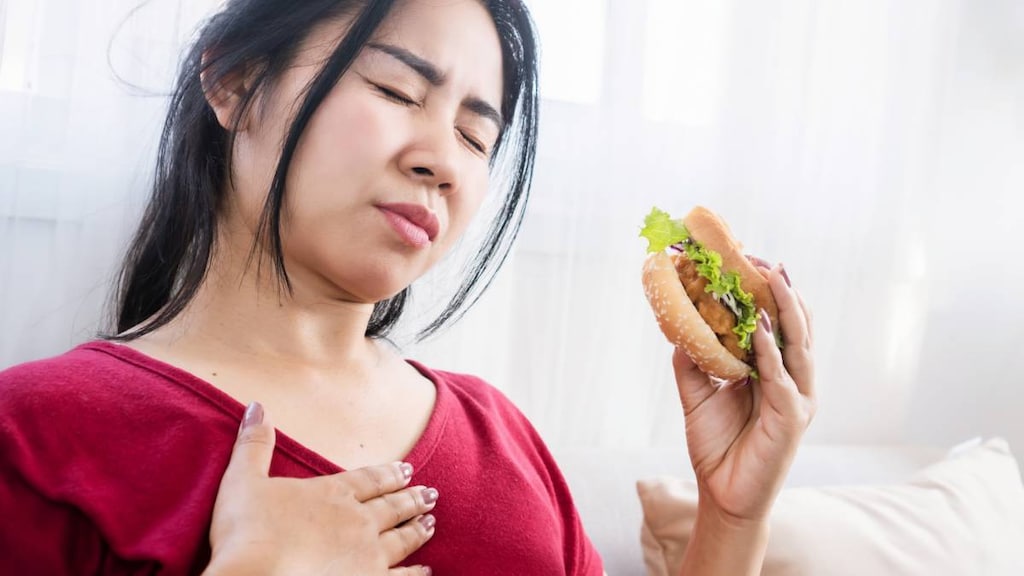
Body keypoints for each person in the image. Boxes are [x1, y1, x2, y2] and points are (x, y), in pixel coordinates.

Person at [0, 0, 816, 574]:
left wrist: (731, 519)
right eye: (396, 91)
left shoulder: (504, 438)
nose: (442, 159)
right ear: (237, 81)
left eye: (474, 134)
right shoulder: (34, 435)